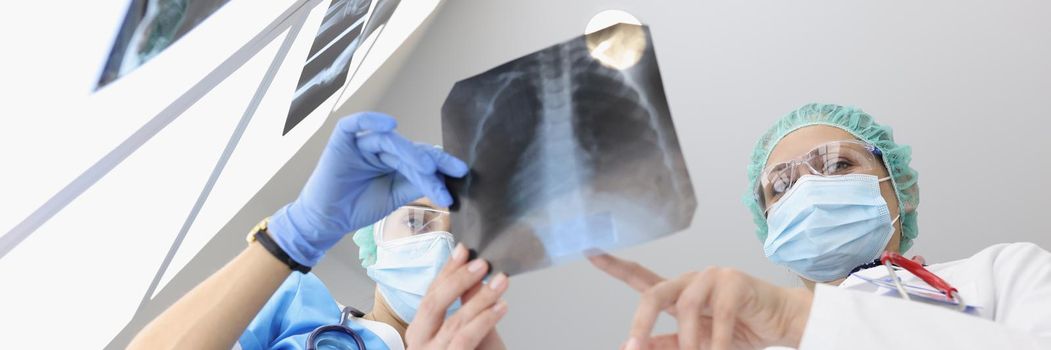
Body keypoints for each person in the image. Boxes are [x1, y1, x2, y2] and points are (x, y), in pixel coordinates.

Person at [590, 103, 1051, 349]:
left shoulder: (1005, 273)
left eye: (836, 165)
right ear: (769, 225)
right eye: (782, 186)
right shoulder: (746, 345)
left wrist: (797, 319)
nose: (808, 190)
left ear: (901, 190)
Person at [129, 112, 509, 350]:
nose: (440, 243)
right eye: (416, 221)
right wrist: (295, 235)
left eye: (462, 234)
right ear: (371, 244)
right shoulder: (298, 306)